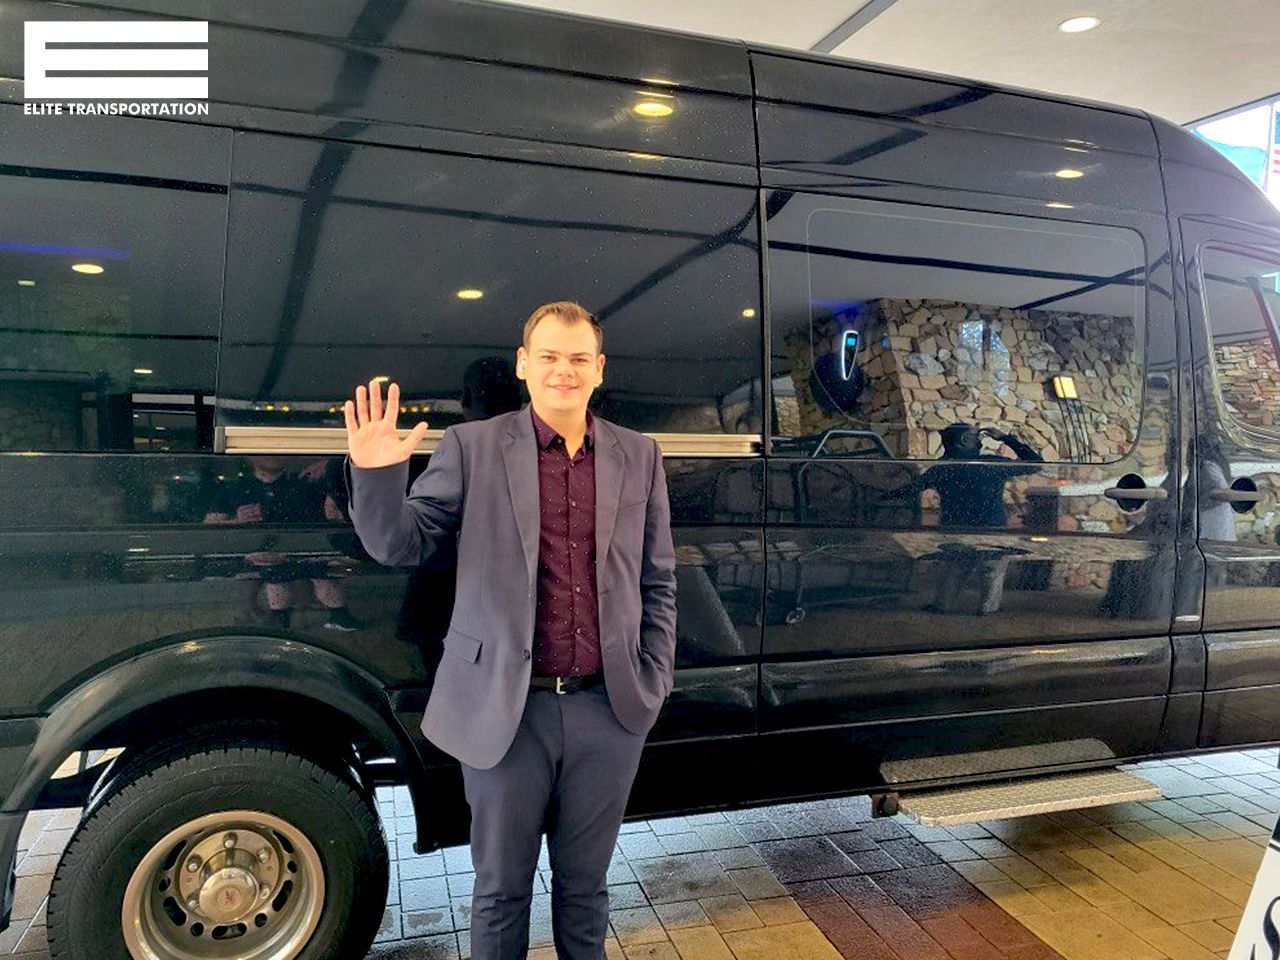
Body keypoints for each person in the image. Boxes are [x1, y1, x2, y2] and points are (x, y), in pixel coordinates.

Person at [342, 301, 678, 960]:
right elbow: (402, 543)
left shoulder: (639, 455)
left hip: (608, 710)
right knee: (500, 892)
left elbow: (658, 577)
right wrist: (377, 475)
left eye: (578, 358)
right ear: (524, 365)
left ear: (599, 369)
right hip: (506, 711)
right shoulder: (473, 447)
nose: (563, 371)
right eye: (548, 356)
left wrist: (653, 677)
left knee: (586, 890)